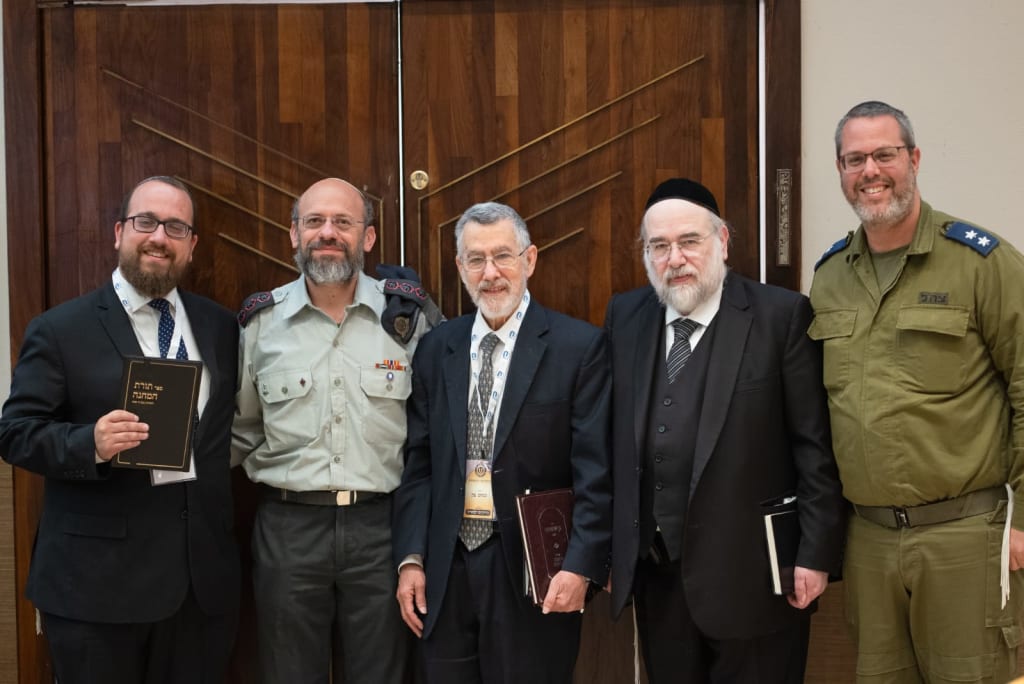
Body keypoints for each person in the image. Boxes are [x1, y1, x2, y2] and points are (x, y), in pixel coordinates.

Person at [810, 100, 1024, 682]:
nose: (870, 171)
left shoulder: (981, 262)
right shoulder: (830, 276)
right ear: (840, 169)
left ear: (914, 158)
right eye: (855, 159)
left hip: (964, 539)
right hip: (871, 542)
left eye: (885, 154)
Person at [0, 176, 240, 684]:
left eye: (176, 226)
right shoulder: (60, 328)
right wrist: (89, 443)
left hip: (199, 588)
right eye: (145, 222)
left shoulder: (220, 326)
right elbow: (16, 432)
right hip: (97, 589)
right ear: (118, 232)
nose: (159, 236)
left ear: (192, 245)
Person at [607, 178, 846, 683]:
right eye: (659, 246)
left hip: (758, 579)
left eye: (689, 241)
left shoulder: (781, 316)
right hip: (659, 576)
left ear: (722, 242)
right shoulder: (625, 317)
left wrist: (816, 553)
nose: (675, 258)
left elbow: (814, 448)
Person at [392, 201, 612, 683]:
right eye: (476, 259)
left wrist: (581, 566)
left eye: (503, 257)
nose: (490, 273)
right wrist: (411, 558)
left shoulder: (578, 348)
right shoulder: (436, 349)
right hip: (447, 572)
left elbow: (596, 472)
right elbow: (419, 465)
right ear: (460, 268)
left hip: (534, 572)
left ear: (529, 260)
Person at [232, 177, 431, 684]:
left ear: (367, 237)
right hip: (288, 528)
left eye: (343, 222)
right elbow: (241, 429)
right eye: (315, 221)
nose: (328, 233)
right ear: (293, 234)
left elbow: (434, 434)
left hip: (381, 529)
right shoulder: (262, 324)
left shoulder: (408, 317)